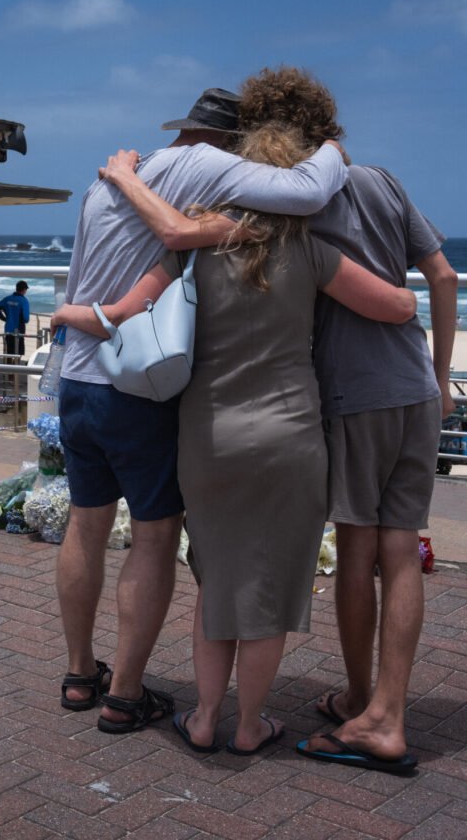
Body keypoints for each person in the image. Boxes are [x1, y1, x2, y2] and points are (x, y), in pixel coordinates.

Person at [57, 121, 416, 754]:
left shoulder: (190, 253)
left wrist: (67, 314)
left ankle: (203, 719)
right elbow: (396, 307)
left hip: (208, 435)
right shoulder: (310, 252)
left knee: (217, 578)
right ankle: (250, 726)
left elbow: (122, 314)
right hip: (289, 437)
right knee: (268, 586)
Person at [223, 67, 458, 774]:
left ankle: (370, 710)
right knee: (402, 549)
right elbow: (443, 276)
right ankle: (386, 707)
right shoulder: (382, 181)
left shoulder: (294, 199)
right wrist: (441, 376)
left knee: (358, 550)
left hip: (355, 396)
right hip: (415, 388)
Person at [0, 280, 30, 357]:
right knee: (19, 351)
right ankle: (16, 364)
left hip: (8, 328)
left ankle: (10, 363)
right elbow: (26, 319)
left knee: (9, 351)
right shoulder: (24, 301)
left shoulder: (7, 299)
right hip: (19, 329)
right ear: (24, 290)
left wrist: (4, 318)